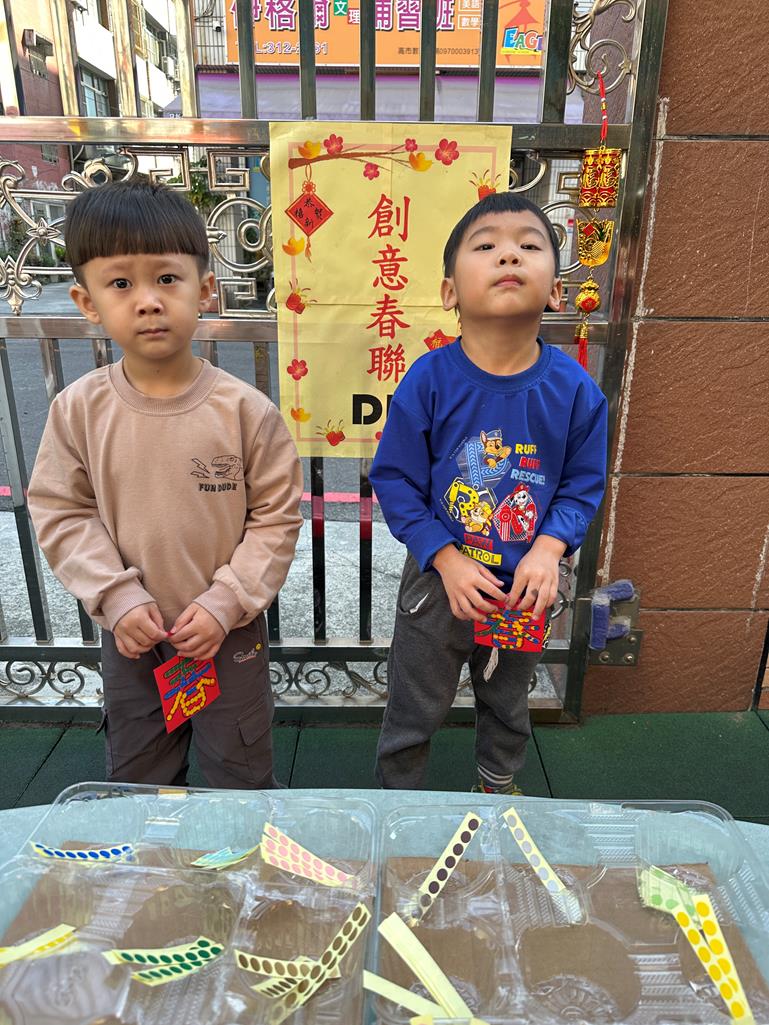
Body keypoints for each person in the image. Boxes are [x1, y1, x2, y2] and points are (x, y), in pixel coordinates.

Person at [27, 180, 303, 789]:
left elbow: (277, 519)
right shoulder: (78, 410)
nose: (148, 301)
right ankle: (150, 854)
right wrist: (117, 597)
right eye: (121, 284)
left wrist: (226, 601)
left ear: (205, 290)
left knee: (240, 775)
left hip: (228, 636)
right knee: (139, 777)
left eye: (167, 279)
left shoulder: (247, 412)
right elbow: (61, 510)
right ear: (87, 301)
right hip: (131, 637)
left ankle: (238, 852)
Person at [369, 192, 608, 794]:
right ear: (449, 291)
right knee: (413, 703)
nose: (509, 255)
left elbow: (582, 487)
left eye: (529, 245)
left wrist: (548, 549)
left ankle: (498, 787)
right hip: (438, 581)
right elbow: (395, 480)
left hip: (527, 585)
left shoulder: (576, 390)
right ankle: (395, 802)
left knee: (508, 700)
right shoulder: (428, 379)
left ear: (556, 291)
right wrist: (445, 558)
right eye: (486, 246)